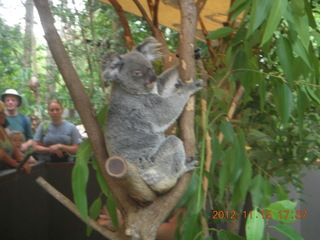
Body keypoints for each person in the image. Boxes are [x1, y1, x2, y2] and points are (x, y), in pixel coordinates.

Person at [0, 100, 31, 173]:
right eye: (2, 113)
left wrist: (23, 162)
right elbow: (2, 154)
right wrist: (17, 165)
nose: (4, 115)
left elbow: (14, 149)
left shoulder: (2, 129)